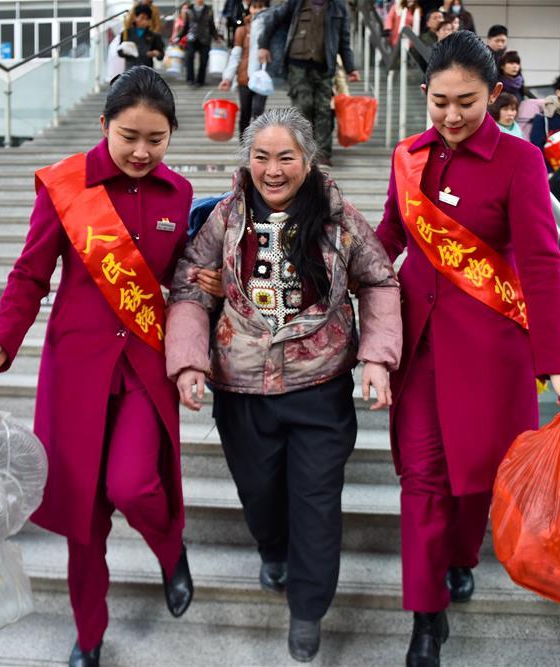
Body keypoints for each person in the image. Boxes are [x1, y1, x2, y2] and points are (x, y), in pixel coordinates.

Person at [0, 67, 195, 667]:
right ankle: (90, 635)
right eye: (129, 137)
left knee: (135, 484)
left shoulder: (178, 194)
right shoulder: (67, 185)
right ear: (104, 126)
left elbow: (178, 280)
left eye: (156, 139)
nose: (142, 151)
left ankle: (170, 549)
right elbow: (30, 274)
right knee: (84, 518)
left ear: (172, 135)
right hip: (76, 371)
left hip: (144, 366)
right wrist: (2, 340)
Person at [375, 32, 560, 666]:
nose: (451, 115)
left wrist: (558, 365)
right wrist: (336, 278)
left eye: (466, 102)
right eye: (439, 102)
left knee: (475, 479)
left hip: (491, 350)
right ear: (424, 93)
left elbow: (542, 264)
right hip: (419, 344)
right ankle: (425, 618)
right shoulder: (408, 156)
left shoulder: (519, 161)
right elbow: (388, 236)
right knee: (421, 479)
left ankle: (462, 556)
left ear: (493, 94)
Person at [165, 107, 402, 663]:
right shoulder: (226, 216)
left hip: (319, 388)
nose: (273, 170)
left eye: (285, 157)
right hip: (241, 388)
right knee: (260, 494)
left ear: (308, 160)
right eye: (261, 157)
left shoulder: (338, 216)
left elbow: (379, 280)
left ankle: (308, 608)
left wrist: (376, 356)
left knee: (316, 503)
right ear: (248, 160)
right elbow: (188, 288)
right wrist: (189, 361)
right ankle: (273, 549)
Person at [257, 0, 360, 167]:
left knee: (324, 110)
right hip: (297, 65)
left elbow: (344, 41)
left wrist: (350, 68)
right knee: (303, 107)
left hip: (324, 67)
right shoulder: (296, 2)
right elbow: (273, 19)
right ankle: (303, 152)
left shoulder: (339, 8)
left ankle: (323, 154)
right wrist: (263, 46)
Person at [219, 0, 270, 139]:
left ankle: (258, 141)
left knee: (258, 111)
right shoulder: (242, 29)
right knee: (245, 112)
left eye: (261, 7)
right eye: (255, 7)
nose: (258, 10)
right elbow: (235, 55)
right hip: (244, 77)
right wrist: (227, 77)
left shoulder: (270, 28)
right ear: (250, 9)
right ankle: (244, 142)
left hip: (263, 77)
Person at [181, 0, 220, 87]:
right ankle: (190, 79)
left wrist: (216, 37)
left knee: (204, 60)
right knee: (189, 57)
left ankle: (200, 80)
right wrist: (178, 37)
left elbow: (212, 25)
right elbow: (186, 26)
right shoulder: (189, 9)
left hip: (205, 38)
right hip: (192, 38)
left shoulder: (209, 10)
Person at [118, 4, 165, 70]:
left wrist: (156, 53)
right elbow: (120, 52)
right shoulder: (126, 33)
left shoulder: (153, 36)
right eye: (142, 18)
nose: (144, 21)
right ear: (135, 17)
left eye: (147, 19)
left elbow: (161, 55)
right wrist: (126, 50)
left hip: (146, 70)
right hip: (130, 70)